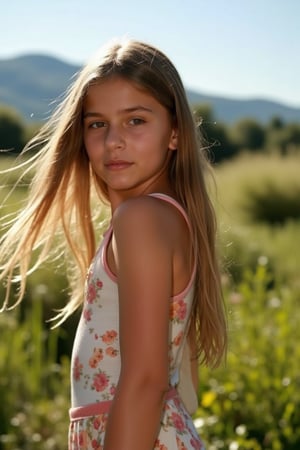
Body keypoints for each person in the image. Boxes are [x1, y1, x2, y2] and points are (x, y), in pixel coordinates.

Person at [0, 38, 227, 449]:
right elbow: (182, 384)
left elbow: (145, 381)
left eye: (136, 120)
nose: (113, 141)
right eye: (97, 123)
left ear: (174, 133)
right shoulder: (167, 217)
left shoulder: (140, 218)